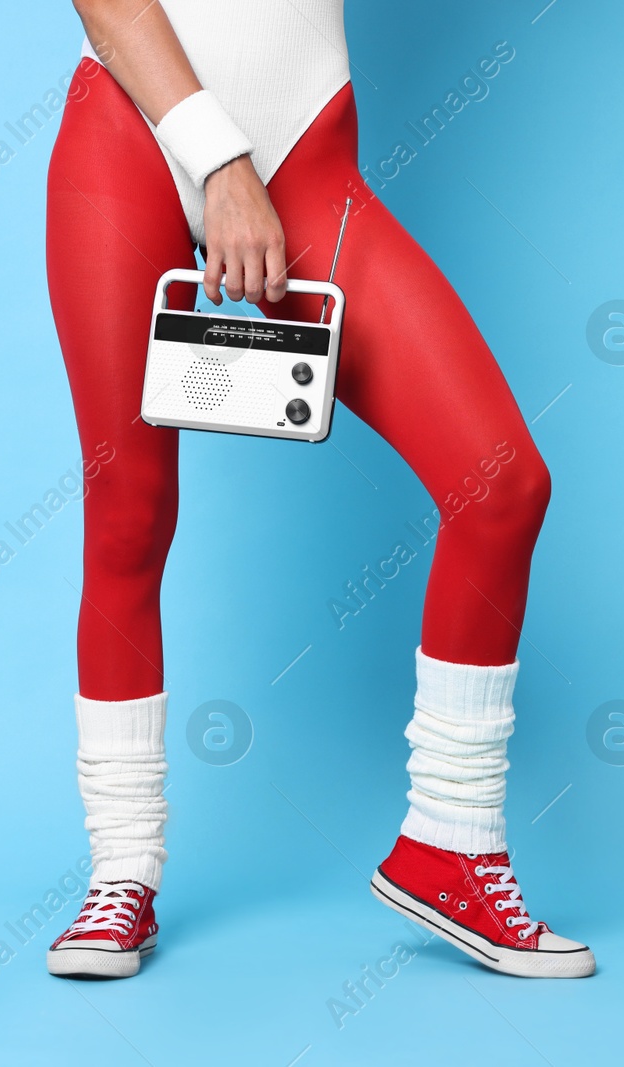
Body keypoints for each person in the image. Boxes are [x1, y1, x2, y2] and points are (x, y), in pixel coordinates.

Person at [44, 0, 595, 980]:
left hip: (306, 151)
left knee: (500, 485)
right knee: (126, 515)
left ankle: (450, 842)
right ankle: (119, 873)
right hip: (127, 137)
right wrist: (218, 163)